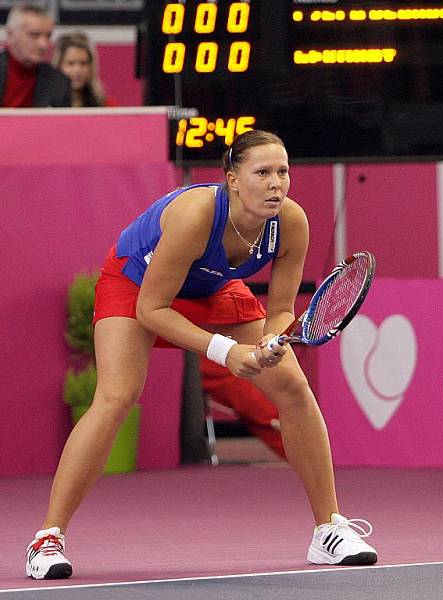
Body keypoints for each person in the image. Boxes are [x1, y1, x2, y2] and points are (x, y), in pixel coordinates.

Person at [25, 130, 378, 580]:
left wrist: (269, 345)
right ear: (232, 179)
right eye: (263, 173)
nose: (276, 184)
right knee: (116, 397)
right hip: (136, 284)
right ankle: (48, 538)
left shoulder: (291, 222)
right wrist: (226, 351)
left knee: (292, 386)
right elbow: (151, 310)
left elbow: (283, 308)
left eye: (283, 172)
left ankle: (330, 529)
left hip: (211, 288)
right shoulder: (196, 216)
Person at [0, 2, 70, 108]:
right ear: (10, 34)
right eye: (34, 35)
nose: (44, 44)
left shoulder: (59, 81)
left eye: (48, 36)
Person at [52, 31, 116, 107]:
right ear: (58, 66)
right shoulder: (45, 106)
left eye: (83, 63)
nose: (77, 70)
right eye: (71, 63)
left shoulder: (106, 106)